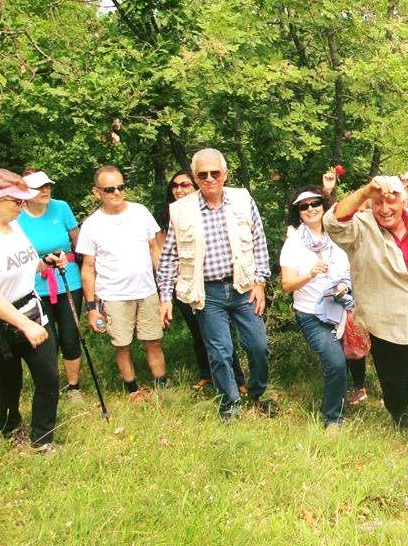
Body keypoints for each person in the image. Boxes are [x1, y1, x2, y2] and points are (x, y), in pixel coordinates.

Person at [324, 175, 408, 453]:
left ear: (404, 200)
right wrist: (364, 192)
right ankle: (400, 415)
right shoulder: (361, 227)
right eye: (378, 202)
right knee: (395, 382)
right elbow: (332, 222)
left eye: (391, 201)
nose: (385, 208)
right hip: (385, 316)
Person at [157, 148, 273, 419]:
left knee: (258, 346)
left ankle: (257, 392)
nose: (209, 178)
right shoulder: (180, 210)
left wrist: (260, 282)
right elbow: (169, 255)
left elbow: (258, 240)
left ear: (225, 174)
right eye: (202, 174)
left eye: (215, 173)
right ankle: (230, 406)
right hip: (207, 294)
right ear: (195, 178)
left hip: (243, 287)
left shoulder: (243, 199)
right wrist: (164, 297)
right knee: (220, 352)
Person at [77, 166, 167, 402]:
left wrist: (164, 287)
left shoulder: (140, 212)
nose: (116, 192)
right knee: (123, 345)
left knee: (154, 341)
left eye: (121, 187)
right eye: (109, 189)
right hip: (113, 295)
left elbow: (155, 248)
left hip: (147, 291)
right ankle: (132, 390)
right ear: (97, 192)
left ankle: (162, 387)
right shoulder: (91, 225)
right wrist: (91, 307)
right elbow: (87, 269)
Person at [0, 169, 59, 452]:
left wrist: (46, 263)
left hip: (33, 311)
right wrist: (25, 325)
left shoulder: (15, 226)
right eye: (16, 201)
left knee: (48, 377)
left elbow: (24, 263)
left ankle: (42, 439)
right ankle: (11, 427)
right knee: (9, 384)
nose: (22, 207)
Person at [157, 171, 246, 394]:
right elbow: (165, 254)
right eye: (175, 186)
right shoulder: (171, 214)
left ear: (195, 186)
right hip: (184, 286)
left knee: (221, 336)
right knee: (199, 333)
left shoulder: (206, 211)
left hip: (212, 284)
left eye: (185, 185)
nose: (179, 190)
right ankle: (206, 374)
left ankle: (238, 379)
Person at [280, 186, 352, 430]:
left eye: (315, 204)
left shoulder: (337, 235)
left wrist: (344, 286)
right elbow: (287, 285)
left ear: (324, 206)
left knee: (350, 359)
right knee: (336, 362)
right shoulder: (293, 243)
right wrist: (309, 275)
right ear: (298, 212)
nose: (310, 209)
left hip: (342, 310)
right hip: (311, 314)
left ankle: (349, 398)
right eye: (304, 206)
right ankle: (333, 418)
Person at [18, 169, 83, 398]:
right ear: (25, 191)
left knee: (70, 335)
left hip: (68, 280)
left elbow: (78, 242)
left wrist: (74, 258)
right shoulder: (17, 216)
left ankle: (74, 387)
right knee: (47, 338)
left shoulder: (61, 207)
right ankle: (49, 385)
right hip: (34, 286)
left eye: (47, 185)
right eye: (38, 187)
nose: (45, 190)